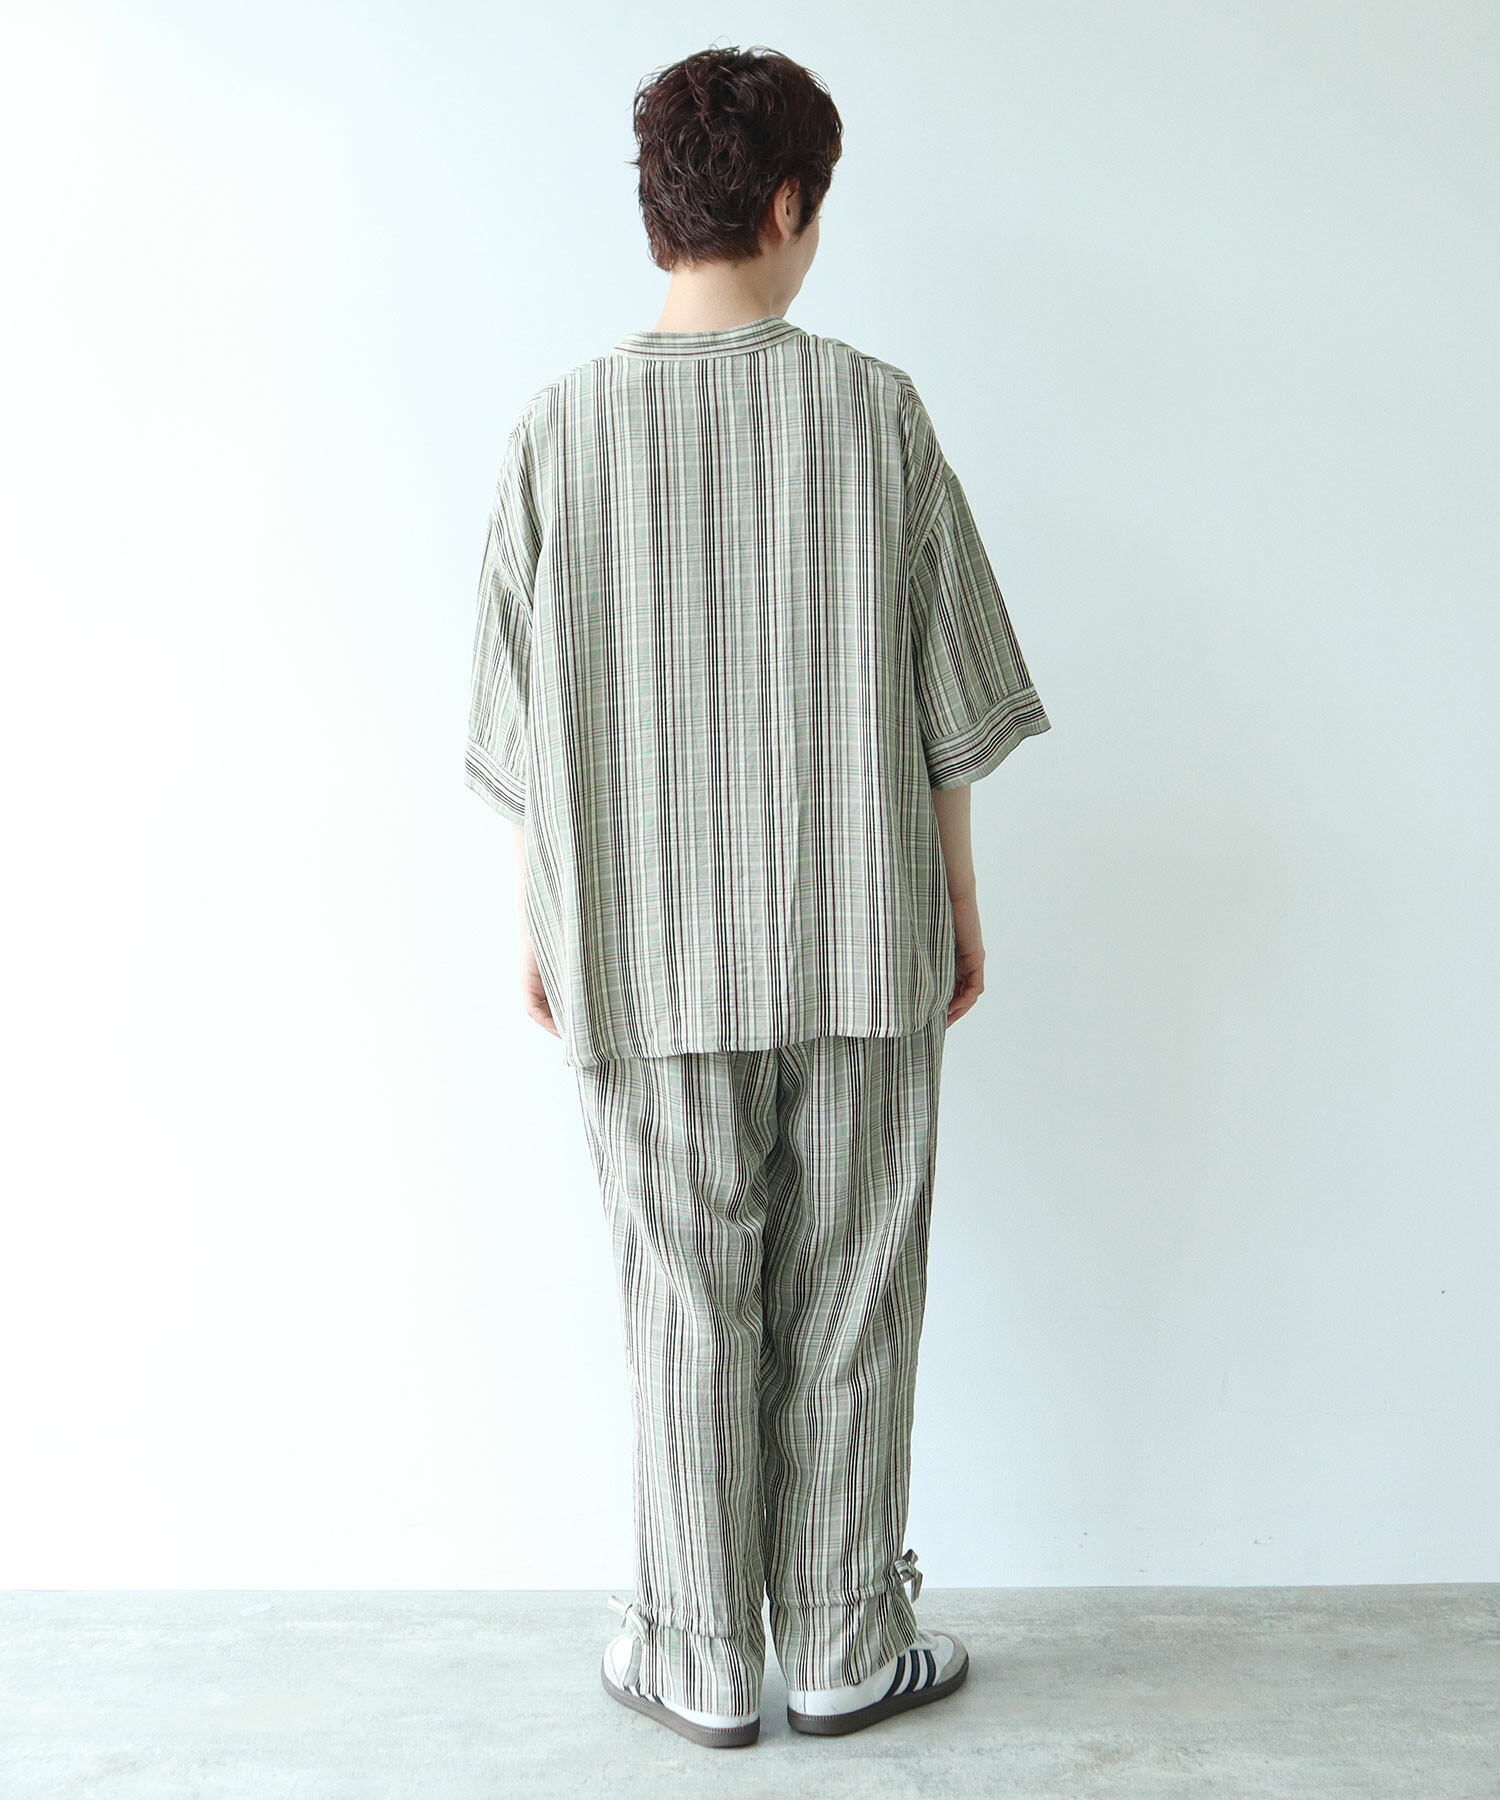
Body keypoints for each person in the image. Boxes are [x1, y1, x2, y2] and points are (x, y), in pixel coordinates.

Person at [465, 43, 1051, 1750]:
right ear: (789, 204)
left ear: (665, 211)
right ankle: (848, 1643)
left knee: (685, 1298)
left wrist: (539, 917)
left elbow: (521, 727)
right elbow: (951, 697)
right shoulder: (876, 414)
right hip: (860, 936)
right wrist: (956, 896)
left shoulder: (556, 433)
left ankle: (699, 1654)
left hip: (642, 952)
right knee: (854, 1290)